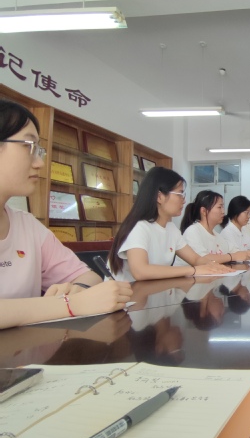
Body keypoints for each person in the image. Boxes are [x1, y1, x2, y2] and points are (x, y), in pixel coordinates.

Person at [0, 99, 132, 329]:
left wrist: (77, 291)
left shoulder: (27, 225)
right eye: (29, 147)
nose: (40, 163)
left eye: (39, 150)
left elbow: (88, 276)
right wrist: (71, 305)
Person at [108, 167, 232, 281]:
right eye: (180, 194)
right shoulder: (140, 227)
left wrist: (214, 266)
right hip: (126, 295)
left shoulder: (171, 228)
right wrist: (193, 270)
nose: (184, 200)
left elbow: (195, 259)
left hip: (152, 292)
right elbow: (140, 271)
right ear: (159, 197)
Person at [175, 190, 250, 266]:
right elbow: (202, 260)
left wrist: (249, 253)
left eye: (223, 207)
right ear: (204, 211)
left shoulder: (217, 236)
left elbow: (236, 251)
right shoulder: (193, 231)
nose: (223, 212)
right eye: (219, 207)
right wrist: (232, 256)